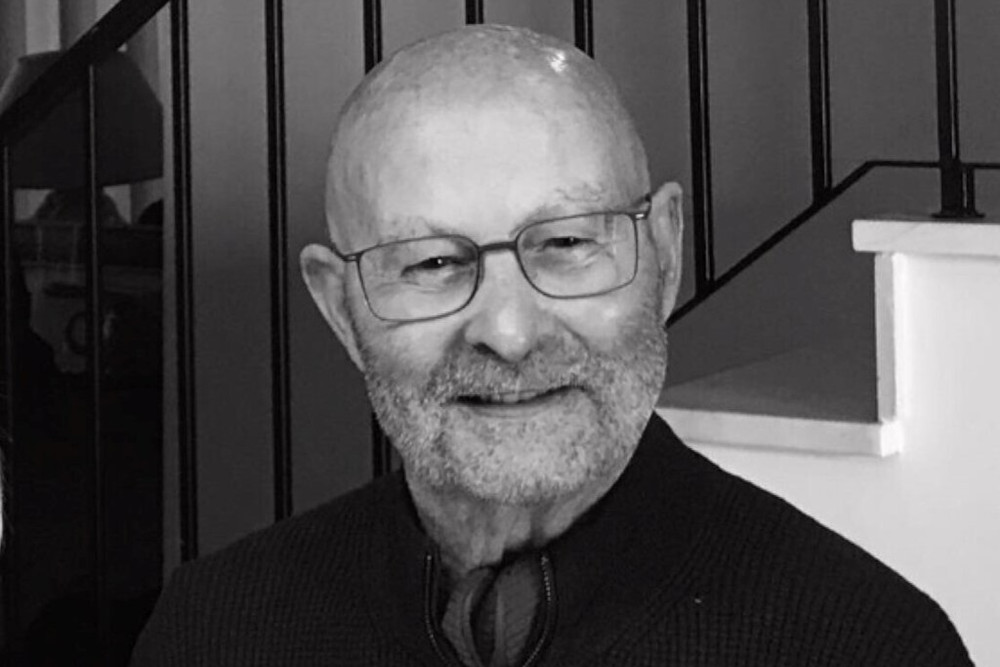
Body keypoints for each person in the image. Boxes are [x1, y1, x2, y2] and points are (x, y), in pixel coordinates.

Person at [132, 25, 970, 665]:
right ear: (342, 310)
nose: (509, 331)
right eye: (431, 262)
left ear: (664, 254)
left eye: (567, 244)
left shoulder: (868, 642)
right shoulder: (213, 630)